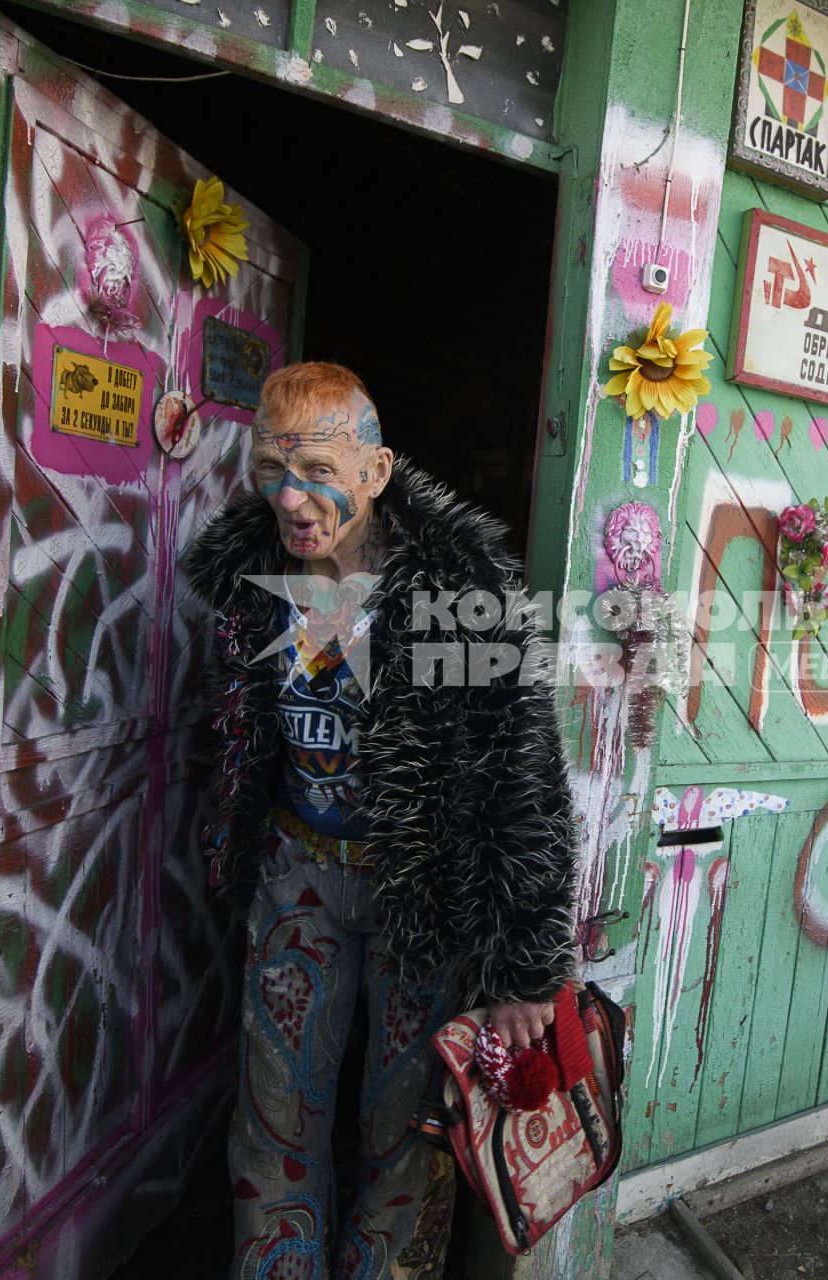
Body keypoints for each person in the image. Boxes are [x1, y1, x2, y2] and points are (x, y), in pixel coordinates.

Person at [184, 361, 579, 1278]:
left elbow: (523, 773)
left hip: (419, 895)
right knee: (274, 1113)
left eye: (320, 470)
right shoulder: (249, 574)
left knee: (403, 1128)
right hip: (296, 874)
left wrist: (525, 968)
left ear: (378, 469)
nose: (292, 496)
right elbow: (239, 740)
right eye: (272, 471)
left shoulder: (453, 589)